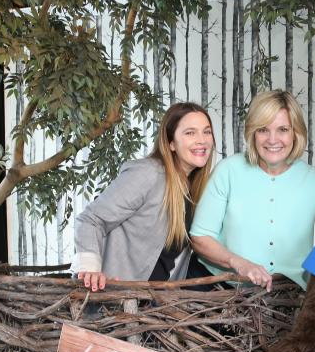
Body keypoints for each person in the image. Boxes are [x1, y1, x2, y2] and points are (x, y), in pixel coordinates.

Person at [189, 90, 315, 291]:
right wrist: (240, 263)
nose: (272, 139)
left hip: (285, 298)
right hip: (217, 290)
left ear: (296, 133)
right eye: (263, 129)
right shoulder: (228, 171)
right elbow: (200, 238)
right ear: (252, 132)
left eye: (282, 129)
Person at [71, 102, 215, 291]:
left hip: (151, 306)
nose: (202, 140)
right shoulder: (149, 173)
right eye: (190, 133)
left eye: (207, 132)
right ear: (171, 143)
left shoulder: (192, 189)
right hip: (111, 300)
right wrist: (90, 269)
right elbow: (91, 219)